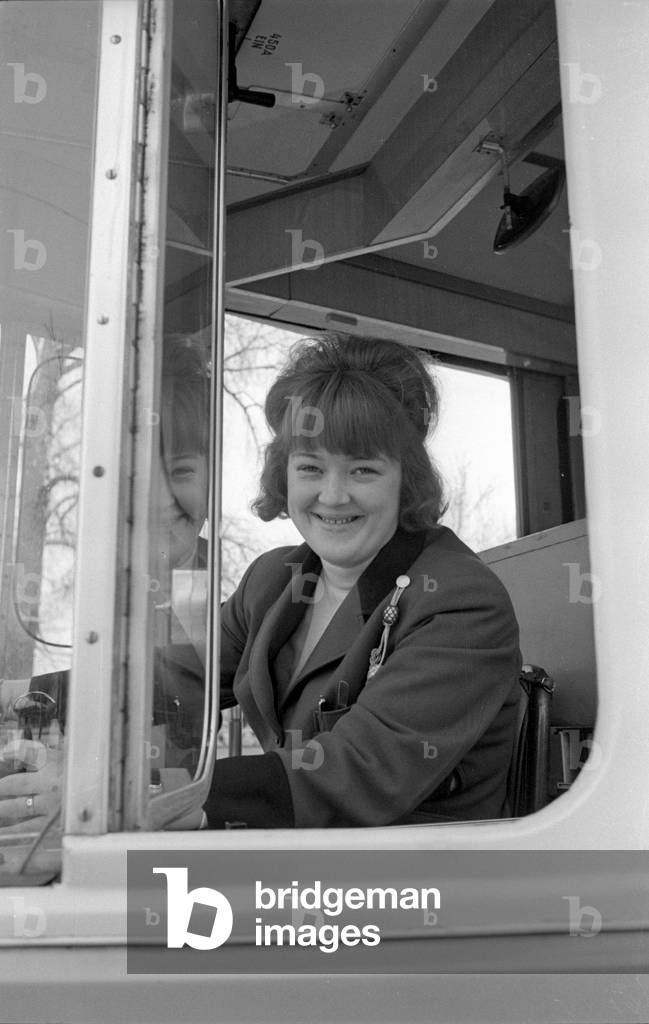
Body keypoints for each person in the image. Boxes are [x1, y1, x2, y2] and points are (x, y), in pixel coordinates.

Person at [204, 333, 521, 828]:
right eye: (310, 467)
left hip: (416, 890)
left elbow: (357, 771)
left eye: (363, 470)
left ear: (407, 481)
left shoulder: (461, 602)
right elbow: (175, 681)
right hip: (299, 869)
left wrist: (186, 797)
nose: (333, 496)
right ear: (283, 476)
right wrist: (45, 704)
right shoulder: (272, 580)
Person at [0, 336, 210, 830]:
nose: (160, 498)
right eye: (139, 474)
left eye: (180, 471)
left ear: (211, 477)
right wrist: (20, 693)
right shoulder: (127, 578)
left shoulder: (198, 586)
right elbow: (143, 685)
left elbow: (183, 711)